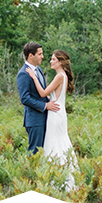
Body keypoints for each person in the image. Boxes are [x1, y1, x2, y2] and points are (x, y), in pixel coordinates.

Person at [25, 49, 77, 190]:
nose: (50, 61)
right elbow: (52, 96)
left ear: (60, 62)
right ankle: (62, 176)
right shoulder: (63, 75)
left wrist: (34, 77)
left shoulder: (60, 76)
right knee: (60, 142)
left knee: (54, 143)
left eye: (53, 59)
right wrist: (48, 100)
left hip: (55, 114)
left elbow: (42, 92)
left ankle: (57, 181)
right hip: (59, 111)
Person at [17, 42, 59, 155]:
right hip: (34, 120)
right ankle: (30, 172)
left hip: (44, 117)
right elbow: (25, 98)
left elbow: (40, 93)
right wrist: (45, 105)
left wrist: (50, 98)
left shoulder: (38, 70)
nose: (42, 56)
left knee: (44, 150)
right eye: (40, 54)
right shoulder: (23, 74)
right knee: (35, 151)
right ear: (31, 55)